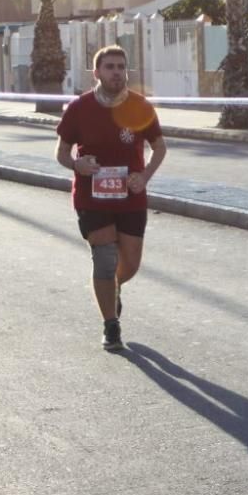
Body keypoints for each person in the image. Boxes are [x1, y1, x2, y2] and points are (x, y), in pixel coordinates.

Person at [55, 45, 167, 351]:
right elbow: (62, 153)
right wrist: (78, 165)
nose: (117, 72)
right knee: (105, 261)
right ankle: (110, 325)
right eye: (110, 67)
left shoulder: (141, 107)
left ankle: (112, 290)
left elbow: (159, 147)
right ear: (97, 72)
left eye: (121, 67)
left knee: (129, 264)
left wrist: (143, 178)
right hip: (93, 199)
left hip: (131, 198)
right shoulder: (79, 107)